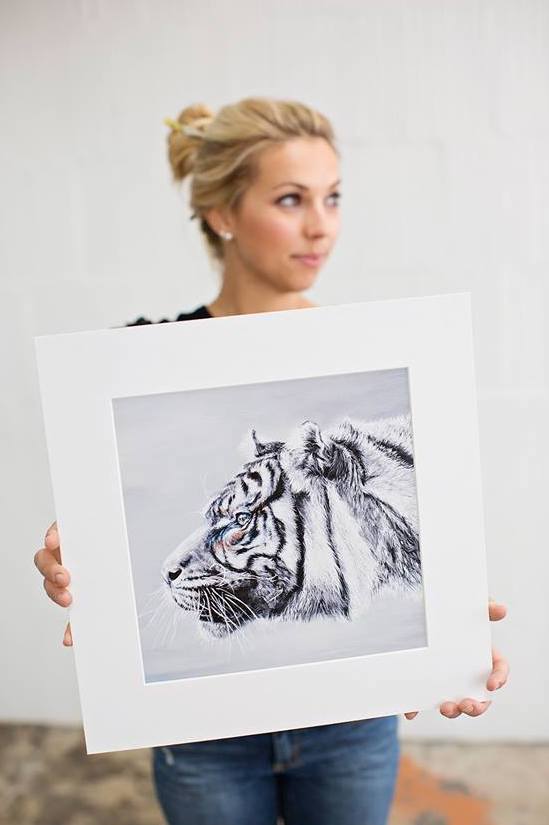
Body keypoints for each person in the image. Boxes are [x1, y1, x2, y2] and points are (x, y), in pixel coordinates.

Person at [33, 97, 509, 825]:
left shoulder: (382, 358)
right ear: (222, 212)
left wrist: (447, 630)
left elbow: (404, 543)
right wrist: (77, 563)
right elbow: (106, 534)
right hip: (202, 732)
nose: (321, 225)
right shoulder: (136, 358)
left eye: (332, 197)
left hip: (351, 724)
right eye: (291, 199)